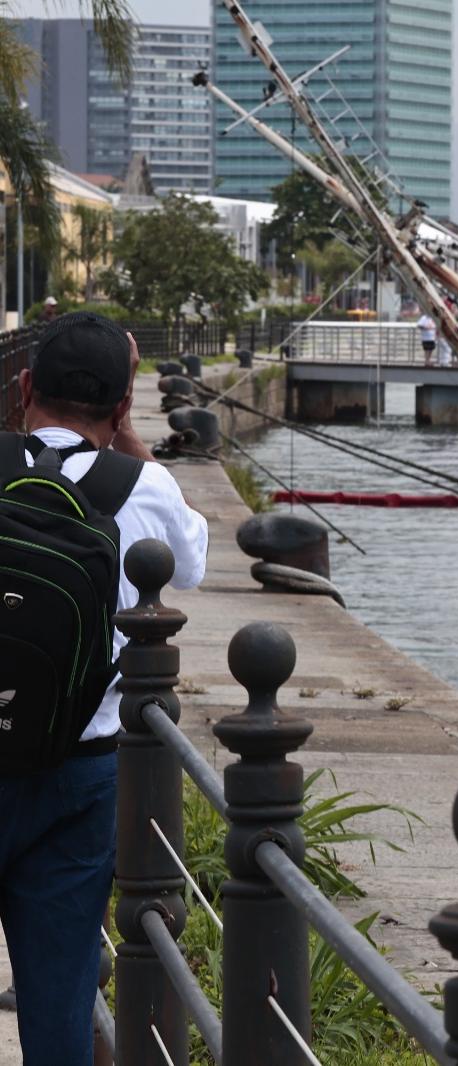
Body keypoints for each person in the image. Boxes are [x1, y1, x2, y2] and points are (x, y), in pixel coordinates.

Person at [2, 312, 209, 1065]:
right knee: (60, 1001)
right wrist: (132, 444)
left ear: (24, 385)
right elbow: (192, 562)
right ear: (122, 407)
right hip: (80, 771)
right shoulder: (144, 487)